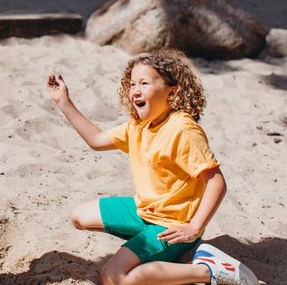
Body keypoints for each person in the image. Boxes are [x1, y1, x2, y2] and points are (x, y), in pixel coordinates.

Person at [46, 49, 259, 285]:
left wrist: (194, 228)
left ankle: (207, 270)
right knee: (79, 216)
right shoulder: (139, 126)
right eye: (132, 84)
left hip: (173, 225)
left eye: (144, 83)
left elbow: (216, 181)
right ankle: (148, 248)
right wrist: (63, 102)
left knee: (114, 277)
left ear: (172, 92)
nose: (135, 90)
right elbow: (97, 140)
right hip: (144, 211)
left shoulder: (182, 129)